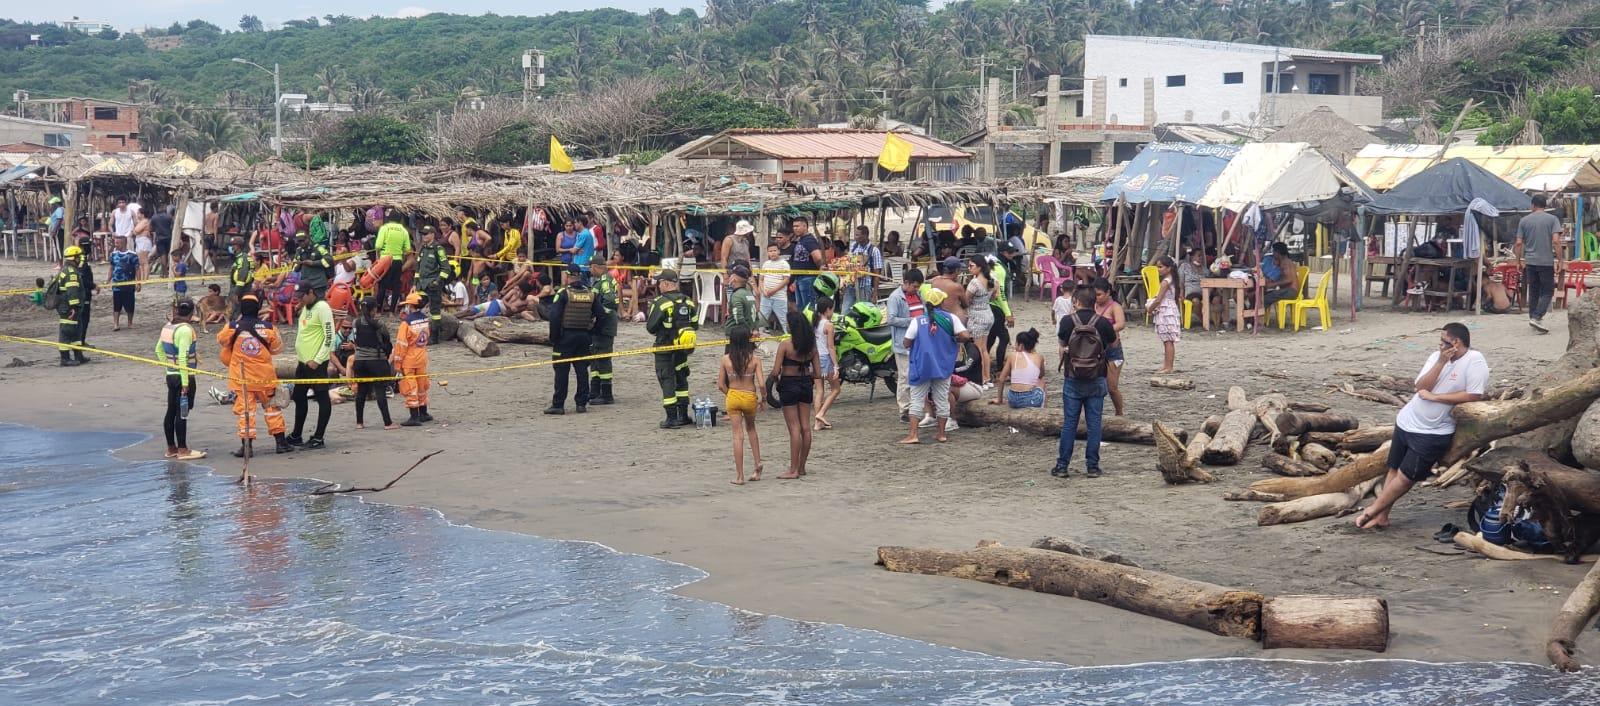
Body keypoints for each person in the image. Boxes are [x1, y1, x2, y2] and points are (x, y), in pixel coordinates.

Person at [1356, 322, 1488, 529]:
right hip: (1408, 420)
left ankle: (1372, 509)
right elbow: (1421, 386)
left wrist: (1436, 398)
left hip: (1433, 430)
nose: (1440, 346)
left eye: (1443, 342)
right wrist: (1440, 363)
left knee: (1407, 476)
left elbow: (1473, 394)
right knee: (1394, 468)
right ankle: (1382, 515)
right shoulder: (1436, 357)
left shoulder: (1475, 361)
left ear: (1456, 342)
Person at [217, 294, 292, 458]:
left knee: (246, 412)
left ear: (241, 309)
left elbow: (221, 341)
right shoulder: (269, 328)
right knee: (272, 409)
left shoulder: (232, 327)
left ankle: (247, 447)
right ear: (258, 309)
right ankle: (280, 443)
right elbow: (277, 348)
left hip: (242, 378)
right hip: (265, 377)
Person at [1055, 287, 1117, 478]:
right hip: (1096, 377)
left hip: (1073, 377)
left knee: (1069, 424)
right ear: (1094, 302)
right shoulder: (1103, 323)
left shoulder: (1067, 321)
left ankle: (1062, 466)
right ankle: (1092, 466)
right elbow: (1112, 344)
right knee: (1094, 424)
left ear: (1076, 301)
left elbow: (1062, 345)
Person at [899, 287, 969, 445]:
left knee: (917, 399)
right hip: (943, 365)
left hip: (922, 366)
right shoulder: (951, 318)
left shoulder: (918, 321)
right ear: (942, 302)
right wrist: (953, 340)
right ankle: (942, 434)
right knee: (942, 398)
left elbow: (906, 341)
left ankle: (913, 434)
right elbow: (965, 335)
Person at [770, 309, 821, 479]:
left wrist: (775, 383)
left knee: (794, 428)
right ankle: (802, 466)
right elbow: (818, 373)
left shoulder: (785, 345)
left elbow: (776, 371)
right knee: (806, 427)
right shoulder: (811, 346)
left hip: (789, 384)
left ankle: (792, 469)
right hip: (805, 384)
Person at [546, 265, 603, 415]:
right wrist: (592, 331)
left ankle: (558, 405)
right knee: (582, 370)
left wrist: (554, 338)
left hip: (565, 337)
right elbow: (601, 314)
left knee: (561, 371)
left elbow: (555, 317)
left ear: (568, 276)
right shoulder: (590, 293)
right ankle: (581, 404)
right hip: (584, 337)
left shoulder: (563, 293)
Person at [646, 269, 699, 429]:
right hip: (683, 348)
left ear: (666, 283)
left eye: (659, 283)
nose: (658, 286)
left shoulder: (660, 302)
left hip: (664, 347)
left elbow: (651, 327)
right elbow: (695, 325)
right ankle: (683, 415)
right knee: (682, 377)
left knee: (667, 379)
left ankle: (671, 417)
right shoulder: (688, 301)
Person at [286, 284, 335, 449]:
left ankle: (319, 437)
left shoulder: (323, 308)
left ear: (311, 292)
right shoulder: (306, 307)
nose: (300, 299)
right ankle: (296, 434)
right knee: (299, 396)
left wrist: (318, 359)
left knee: (322, 398)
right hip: (303, 362)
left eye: (302, 296)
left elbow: (329, 336)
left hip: (316, 363)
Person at [158, 298, 206, 460]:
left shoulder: (168, 327)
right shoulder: (185, 330)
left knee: (171, 410)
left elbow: (158, 350)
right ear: (192, 312)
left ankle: (171, 448)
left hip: (171, 375)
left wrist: (169, 367)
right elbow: (183, 357)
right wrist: (185, 383)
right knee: (181, 412)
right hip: (183, 376)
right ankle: (183, 449)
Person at [718, 325, 764, 485]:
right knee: (751, 429)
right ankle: (758, 463)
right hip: (749, 395)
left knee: (737, 436)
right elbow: (762, 383)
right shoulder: (755, 359)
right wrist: (763, 398)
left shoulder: (725, 359)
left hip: (733, 396)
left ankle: (739, 476)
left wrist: (730, 394)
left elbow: (720, 384)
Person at [1516, 194, 1563, 334]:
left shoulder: (1524, 221)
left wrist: (1518, 261)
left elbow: (1519, 243)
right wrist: (1560, 260)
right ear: (1545, 206)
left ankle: (1533, 318)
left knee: (1534, 290)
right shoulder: (1553, 219)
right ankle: (1537, 317)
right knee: (1548, 291)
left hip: (1530, 261)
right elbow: (1556, 241)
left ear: (1533, 205)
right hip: (1546, 261)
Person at [351, 298, 397, 430]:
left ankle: (359, 422)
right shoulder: (379, 324)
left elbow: (355, 340)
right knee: (380, 390)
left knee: (361, 391)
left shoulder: (356, 322)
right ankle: (387, 422)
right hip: (376, 360)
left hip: (359, 360)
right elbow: (387, 340)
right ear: (374, 309)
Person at [887, 267, 925, 421]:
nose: (916, 289)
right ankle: (904, 410)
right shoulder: (895, 297)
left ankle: (917, 407)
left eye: (918, 287)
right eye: (914, 286)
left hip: (920, 341)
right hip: (903, 343)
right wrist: (912, 322)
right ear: (907, 283)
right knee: (905, 376)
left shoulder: (919, 294)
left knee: (918, 375)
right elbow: (891, 319)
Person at [392, 292, 433, 426]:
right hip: (422, 356)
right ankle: (424, 413)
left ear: (410, 305)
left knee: (410, 387)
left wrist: (397, 363)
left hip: (409, 359)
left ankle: (414, 417)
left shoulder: (406, 323)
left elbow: (401, 344)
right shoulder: (425, 319)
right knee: (422, 385)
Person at [1091, 278, 1127, 417]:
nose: (1097, 298)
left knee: (1112, 387)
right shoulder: (1092, 305)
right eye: (1095, 295)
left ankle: (1119, 412)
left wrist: (1104, 329)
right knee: (1095, 384)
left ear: (1107, 293)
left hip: (1113, 351)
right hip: (1095, 349)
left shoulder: (1114, 307)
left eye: (1099, 294)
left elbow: (1121, 324)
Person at [588, 258, 620, 405]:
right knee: (595, 356)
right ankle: (595, 390)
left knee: (603, 357)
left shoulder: (605, 281)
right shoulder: (601, 280)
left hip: (605, 324)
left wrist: (597, 314)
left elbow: (610, 301)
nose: (589, 270)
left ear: (595, 267)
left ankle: (606, 393)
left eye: (590, 267)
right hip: (600, 324)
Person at [990, 328, 1046, 409]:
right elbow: (1041, 375)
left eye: (1016, 343)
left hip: (1013, 399)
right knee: (1042, 382)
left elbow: (1001, 379)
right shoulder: (1039, 357)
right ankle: (1042, 409)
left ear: (1021, 346)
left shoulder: (1012, 356)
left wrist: (1000, 399)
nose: (1014, 345)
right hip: (1030, 400)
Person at [414, 225, 454, 334]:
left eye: (426, 234)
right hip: (421, 284)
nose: (424, 236)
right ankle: (421, 331)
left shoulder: (438, 249)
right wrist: (414, 283)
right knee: (416, 306)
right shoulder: (423, 248)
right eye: (423, 234)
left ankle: (435, 335)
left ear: (432, 234)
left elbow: (446, 269)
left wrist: (437, 281)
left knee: (435, 312)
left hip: (432, 284)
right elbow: (418, 267)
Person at [51, 246, 86, 367]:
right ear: (74, 258)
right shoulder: (71, 273)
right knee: (67, 331)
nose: (81, 258)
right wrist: (74, 308)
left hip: (69, 306)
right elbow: (72, 292)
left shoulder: (66, 269)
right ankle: (65, 358)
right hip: (68, 307)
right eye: (79, 256)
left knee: (76, 331)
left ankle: (78, 356)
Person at [965, 257, 998, 387]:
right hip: (988, 314)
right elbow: (995, 296)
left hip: (977, 316)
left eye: (971, 266)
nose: (969, 268)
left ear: (979, 267)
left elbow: (966, 301)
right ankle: (987, 377)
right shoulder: (992, 280)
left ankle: (982, 379)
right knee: (984, 349)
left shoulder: (974, 283)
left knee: (978, 349)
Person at [811, 295, 841, 431]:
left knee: (819, 391)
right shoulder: (829, 325)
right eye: (832, 309)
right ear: (827, 310)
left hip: (815, 358)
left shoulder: (815, 323)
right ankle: (821, 414)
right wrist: (836, 365)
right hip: (825, 359)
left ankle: (817, 423)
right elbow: (831, 347)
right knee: (836, 389)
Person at [1148, 255, 1181, 374]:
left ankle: (1168, 367)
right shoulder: (1173, 279)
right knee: (1167, 340)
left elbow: (1158, 300)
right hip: (1170, 308)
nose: (1158, 269)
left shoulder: (1165, 282)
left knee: (1168, 340)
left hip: (1166, 310)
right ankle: (1166, 365)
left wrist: (1150, 309)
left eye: (1160, 267)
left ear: (1168, 268)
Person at [374, 213, 412, 312]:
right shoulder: (404, 230)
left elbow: (378, 245)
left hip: (385, 260)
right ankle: (392, 311)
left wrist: (378, 257)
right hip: (397, 261)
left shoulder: (384, 228)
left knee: (382, 285)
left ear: (389, 219)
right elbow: (408, 249)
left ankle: (378, 310)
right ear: (400, 220)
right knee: (396, 286)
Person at [788, 216, 824, 313]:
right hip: (799, 278)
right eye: (794, 226)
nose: (795, 228)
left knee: (809, 308)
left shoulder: (809, 240)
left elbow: (818, 257)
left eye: (797, 226)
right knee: (801, 308)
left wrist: (819, 269)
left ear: (805, 226)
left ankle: (811, 327)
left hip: (808, 278)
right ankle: (803, 327)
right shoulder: (801, 240)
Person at [108, 234, 140, 330]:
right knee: (116, 304)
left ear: (123, 243)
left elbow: (137, 269)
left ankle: (130, 323)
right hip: (117, 284)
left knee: (130, 305)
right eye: (115, 242)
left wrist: (139, 282)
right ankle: (116, 324)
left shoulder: (132, 255)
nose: (116, 244)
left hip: (129, 285)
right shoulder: (113, 255)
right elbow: (111, 268)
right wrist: (108, 280)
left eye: (117, 243)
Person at [847, 225, 883, 308]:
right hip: (851, 285)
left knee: (863, 311)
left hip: (865, 286)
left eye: (857, 235)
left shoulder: (874, 250)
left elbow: (877, 274)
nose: (855, 237)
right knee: (846, 311)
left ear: (865, 236)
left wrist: (874, 294)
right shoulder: (853, 246)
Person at [758, 243, 790, 334]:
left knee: (784, 319)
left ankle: (788, 337)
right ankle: (759, 336)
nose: (772, 253)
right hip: (766, 296)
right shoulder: (765, 264)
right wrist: (763, 291)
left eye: (775, 250)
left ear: (779, 251)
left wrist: (773, 290)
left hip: (779, 297)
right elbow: (761, 280)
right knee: (762, 318)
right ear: (767, 253)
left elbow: (786, 280)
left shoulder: (784, 264)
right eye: (770, 251)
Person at [1260, 242, 1298, 312]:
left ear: (1278, 252)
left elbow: (1289, 279)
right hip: (1286, 290)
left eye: (1274, 251)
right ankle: (1250, 318)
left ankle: (1257, 320)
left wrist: (1273, 284)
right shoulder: (1284, 261)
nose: (1273, 253)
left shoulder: (1285, 262)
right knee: (1262, 296)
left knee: (1265, 299)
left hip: (1290, 291)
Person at [725, 263, 757, 335]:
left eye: (730, 275)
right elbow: (756, 314)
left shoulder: (737, 296)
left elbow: (738, 318)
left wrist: (748, 331)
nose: (728, 277)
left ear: (734, 279)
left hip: (736, 335)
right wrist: (754, 329)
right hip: (748, 332)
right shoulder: (749, 293)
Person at [228, 235, 253, 316]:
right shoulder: (239, 258)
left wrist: (236, 292)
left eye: (233, 245)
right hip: (239, 288)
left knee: (236, 311)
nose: (231, 247)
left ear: (238, 246)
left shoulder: (243, 259)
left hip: (241, 289)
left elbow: (242, 277)